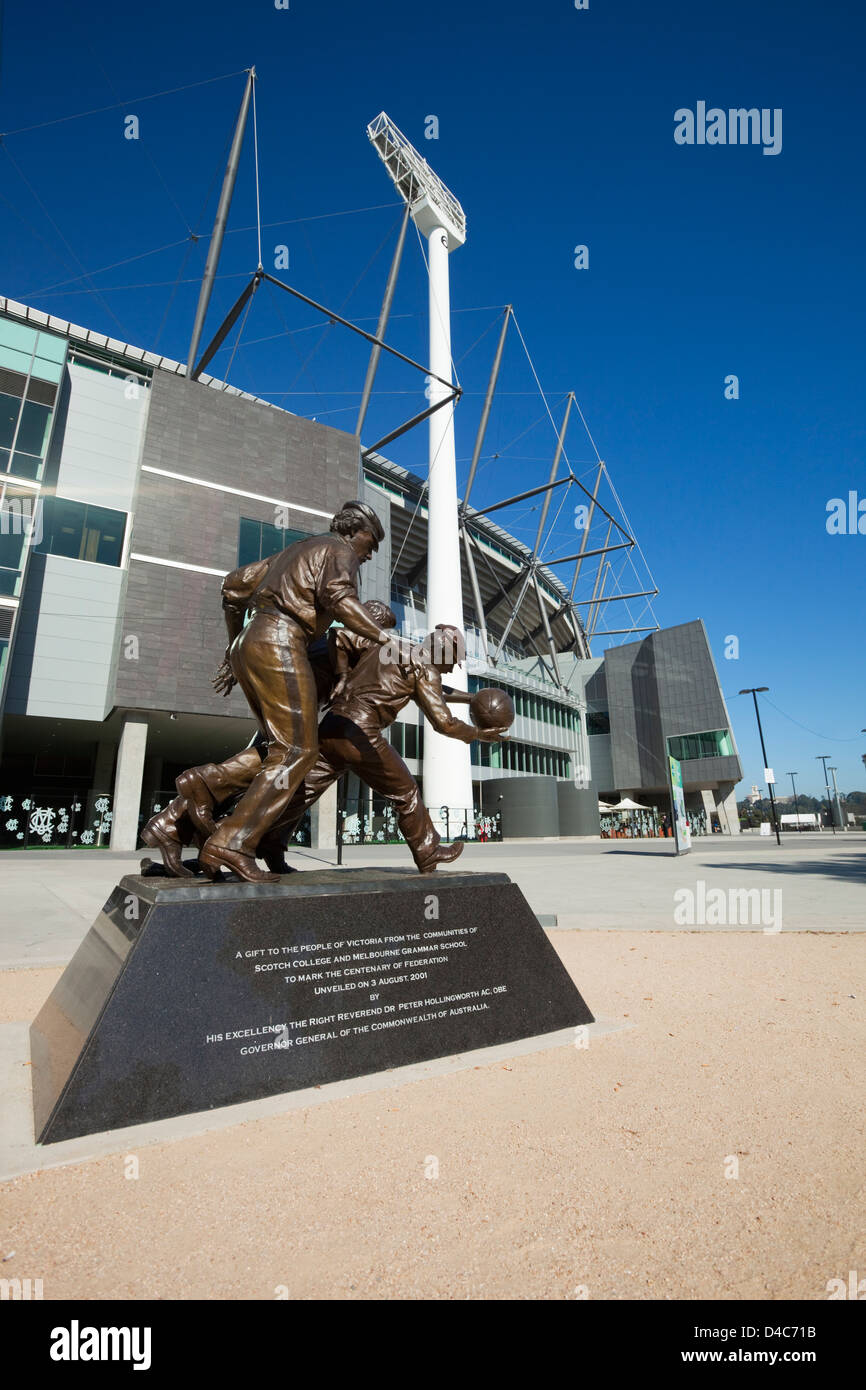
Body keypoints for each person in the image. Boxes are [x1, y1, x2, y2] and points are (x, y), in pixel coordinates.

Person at [192, 500, 391, 883]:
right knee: (297, 749)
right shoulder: (340, 550)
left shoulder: (293, 552)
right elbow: (342, 600)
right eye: (371, 540)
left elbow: (233, 587)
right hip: (282, 639)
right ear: (353, 531)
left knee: (274, 748)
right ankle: (232, 843)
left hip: (253, 641)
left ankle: (191, 802)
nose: (370, 553)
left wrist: (233, 650)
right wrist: (386, 639)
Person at [140, 599, 397, 877]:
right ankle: (204, 785)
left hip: (285, 693)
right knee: (290, 759)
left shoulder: (335, 638)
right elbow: (400, 664)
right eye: (383, 627)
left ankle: (176, 824)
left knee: (287, 770)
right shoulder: (351, 636)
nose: (382, 635)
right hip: (294, 700)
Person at [269, 624, 509, 874]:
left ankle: (266, 841)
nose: (451, 669)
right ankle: (428, 851)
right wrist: (478, 734)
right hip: (361, 732)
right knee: (406, 793)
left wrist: (342, 675)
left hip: (332, 726)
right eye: (453, 662)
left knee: (301, 793)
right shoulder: (425, 669)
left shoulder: (391, 648)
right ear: (443, 652)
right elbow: (444, 723)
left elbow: (338, 635)